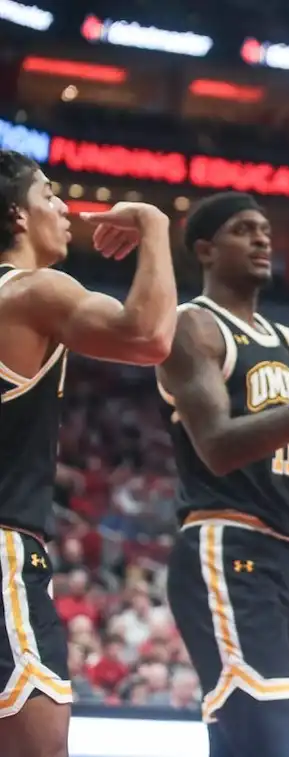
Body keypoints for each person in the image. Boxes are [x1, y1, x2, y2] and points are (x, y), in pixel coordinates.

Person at [155, 191, 289, 757]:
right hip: (223, 540)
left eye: (266, 230)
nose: (262, 239)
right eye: (243, 230)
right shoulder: (192, 326)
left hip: (281, 552)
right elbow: (219, 449)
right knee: (263, 739)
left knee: (253, 741)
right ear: (205, 250)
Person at [0, 149, 178, 757]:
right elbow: (149, 335)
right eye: (48, 194)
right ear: (17, 216)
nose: (63, 207)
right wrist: (154, 225)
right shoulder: (30, 291)